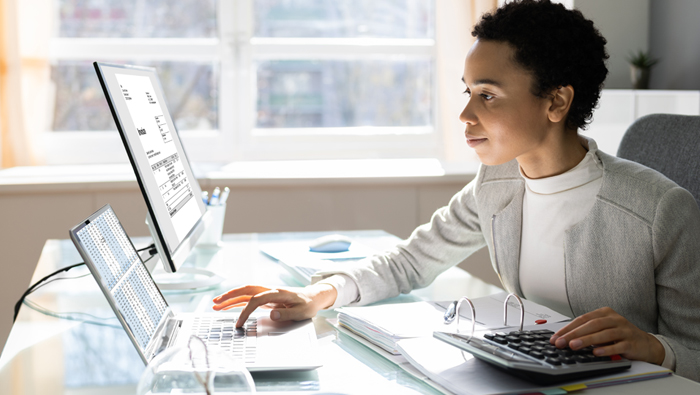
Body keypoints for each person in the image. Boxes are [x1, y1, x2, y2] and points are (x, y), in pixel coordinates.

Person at [212, 0, 700, 381]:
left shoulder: (661, 211)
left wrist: (656, 348)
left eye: (487, 95)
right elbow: (411, 262)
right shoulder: (497, 182)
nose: (466, 115)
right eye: (467, 92)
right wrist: (320, 293)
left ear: (556, 101)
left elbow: (694, 351)